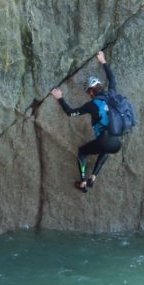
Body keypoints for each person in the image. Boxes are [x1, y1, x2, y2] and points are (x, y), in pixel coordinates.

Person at [50, 51, 122, 193]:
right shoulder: (111, 94)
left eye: (88, 93)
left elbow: (70, 113)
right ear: (100, 86)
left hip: (105, 141)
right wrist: (103, 61)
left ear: (91, 92)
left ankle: (83, 181)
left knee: (82, 152)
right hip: (117, 143)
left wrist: (60, 98)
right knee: (106, 148)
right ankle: (93, 176)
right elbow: (112, 80)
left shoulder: (92, 105)